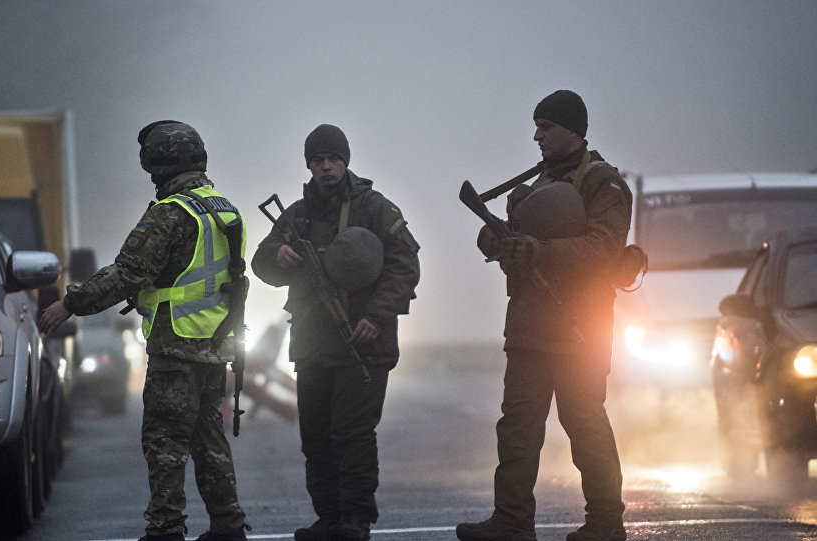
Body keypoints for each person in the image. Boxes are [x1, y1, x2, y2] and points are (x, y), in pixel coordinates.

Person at [39, 120, 250, 541]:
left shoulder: (171, 213)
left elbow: (128, 273)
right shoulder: (225, 208)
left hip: (175, 347)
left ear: (157, 162)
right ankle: (228, 526)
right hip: (214, 346)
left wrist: (70, 303)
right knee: (209, 438)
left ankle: (166, 529)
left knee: (165, 442)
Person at [456, 90, 630, 541]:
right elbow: (515, 236)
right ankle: (512, 523)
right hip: (530, 327)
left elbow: (603, 249)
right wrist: (496, 240)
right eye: (536, 126)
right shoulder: (538, 186)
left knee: (585, 424)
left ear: (574, 129)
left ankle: (606, 525)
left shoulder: (603, 185)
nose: (537, 135)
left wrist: (540, 250)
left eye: (546, 126)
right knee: (517, 428)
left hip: (580, 331)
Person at [251, 124, 420, 541]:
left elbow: (405, 266)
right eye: (318, 160)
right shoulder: (297, 214)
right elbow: (260, 263)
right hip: (312, 343)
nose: (326, 167)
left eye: (333, 159)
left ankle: (355, 520)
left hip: (364, 342)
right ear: (309, 164)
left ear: (345, 161)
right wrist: (279, 255)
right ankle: (328, 518)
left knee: (352, 435)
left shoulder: (374, 209)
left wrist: (376, 316)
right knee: (316, 437)